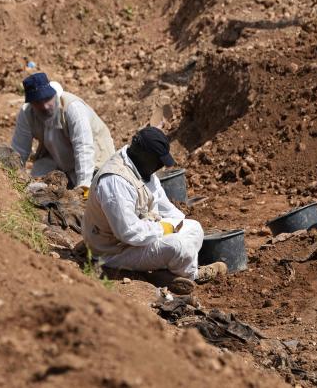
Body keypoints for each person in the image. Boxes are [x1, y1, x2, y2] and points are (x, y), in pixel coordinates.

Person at [82, 126, 227, 294]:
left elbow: (168, 210)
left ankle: (165, 274)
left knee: (194, 227)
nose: (160, 165)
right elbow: (128, 233)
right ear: (143, 154)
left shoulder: (142, 169)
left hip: (141, 235)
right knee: (179, 247)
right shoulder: (115, 181)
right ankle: (192, 275)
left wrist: (178, 226)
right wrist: (163, 230)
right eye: (157, 160)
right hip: (113, 251)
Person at [11, 72, 115, 192]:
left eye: (47, 99)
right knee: (36, 188)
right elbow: (19, 151)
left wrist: (84, 187)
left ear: (54, 94)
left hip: (95, 158)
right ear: (31, 103)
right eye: (38, 102)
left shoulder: (73, 109)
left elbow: (83, 147)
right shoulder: (27, 113)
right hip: (58, 158)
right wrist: (11, 178)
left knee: (99, 191)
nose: (45, 106)